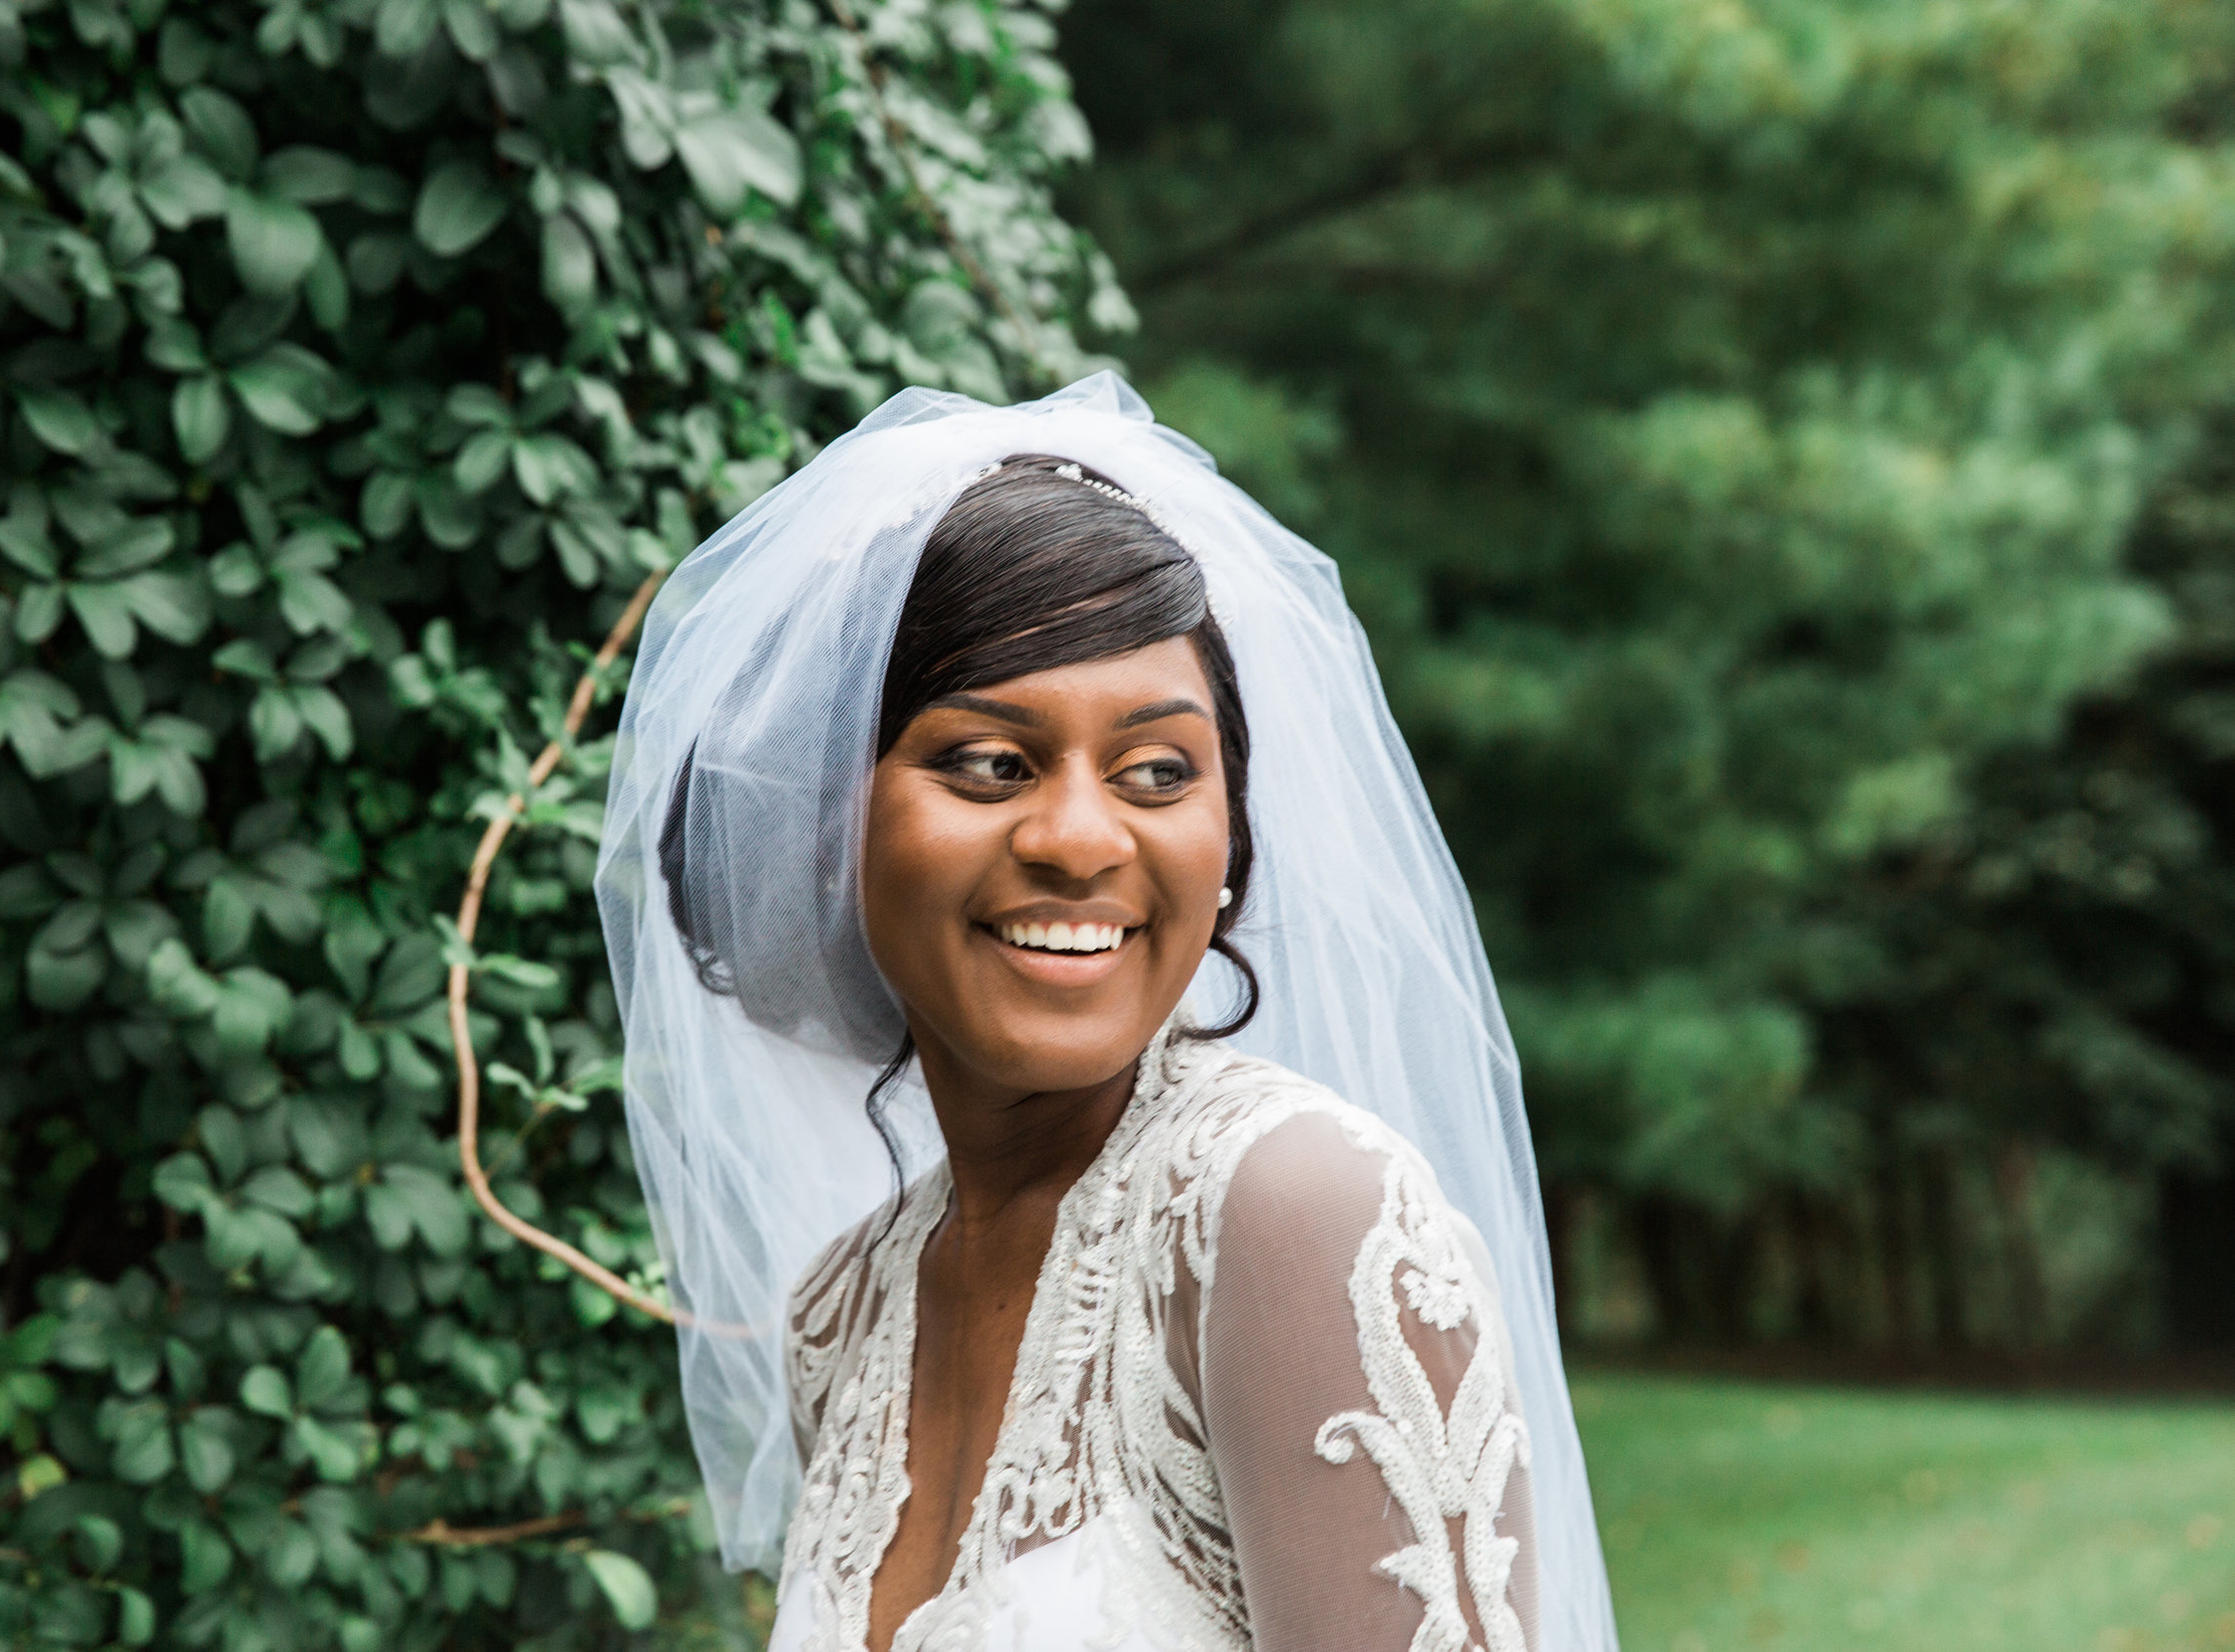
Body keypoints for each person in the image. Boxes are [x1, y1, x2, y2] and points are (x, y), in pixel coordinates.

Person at [597, 375, 1619, 1652]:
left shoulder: (1289, 1211)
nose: (1083, 839)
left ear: (1228, 838)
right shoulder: (843, 1312)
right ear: (830, 825)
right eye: (989, 763)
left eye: (1155, 772)